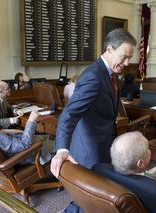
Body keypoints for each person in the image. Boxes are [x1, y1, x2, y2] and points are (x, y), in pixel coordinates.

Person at [50, 28, 136, 179]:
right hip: (91, 149)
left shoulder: (111, 73)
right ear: (109, 49)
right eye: (124, 57)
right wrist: (62, 149)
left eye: (129, 58)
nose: (127, 63)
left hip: (104, 143)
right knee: (91, 196)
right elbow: (69, 114)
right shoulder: (93, 76)